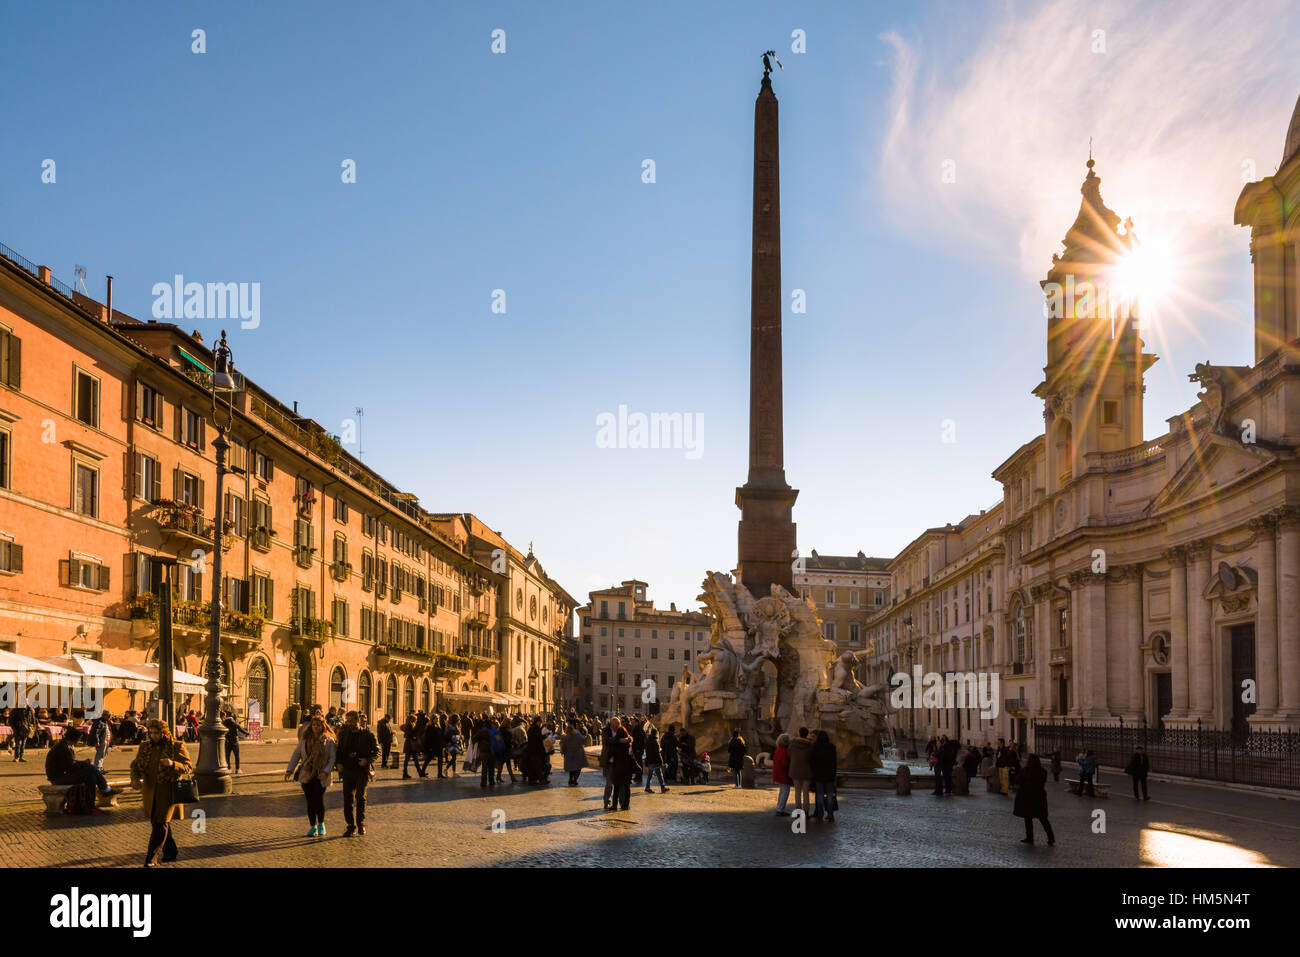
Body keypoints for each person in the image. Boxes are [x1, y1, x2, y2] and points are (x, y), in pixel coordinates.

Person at [129, 719, 194, 866]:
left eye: (157, 733)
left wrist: (173, 764)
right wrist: (134, 779)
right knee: (157, 822)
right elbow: (136, 766)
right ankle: (171, 851)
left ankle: (151, 858)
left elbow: (188, 767)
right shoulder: (145, 746)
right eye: (151, 733)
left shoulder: (177, 746)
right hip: (149, 791)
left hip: (168, 792)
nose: (153, 736)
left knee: (161, 823)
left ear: (164, 733)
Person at [286, 713, 337, 836]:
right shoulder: (304, 740)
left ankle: (321, 824)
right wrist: (290, 770)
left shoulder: (329, 741)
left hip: (321, 774)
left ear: (323, 726)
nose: (316, 727)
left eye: (318, 725)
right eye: (314, 725)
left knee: (318, 800)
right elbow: (296, 755)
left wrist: (326, 771)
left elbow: (332, 758)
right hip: (306, 773)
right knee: (309, 801)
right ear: (311, 726)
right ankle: (312, 826)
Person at [336, 710, 378, 836]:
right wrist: (338, 763)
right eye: (347, 721)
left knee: (360, 797)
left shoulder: (368, 734)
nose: (349, 724)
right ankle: (350, 825)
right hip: (347, 770)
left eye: (352, 721)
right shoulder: (343, 734)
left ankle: (361, 823)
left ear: (358, 720)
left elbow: (377, 751)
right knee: (347, 799)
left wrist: (368, 760)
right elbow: (339, 750)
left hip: (362, 771)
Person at [46, 728, 113, 798]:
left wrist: (83, 763)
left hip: (60, 776)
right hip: (58, 779)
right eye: (78, 739)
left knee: (91, 776)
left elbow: (69, 763)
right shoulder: (64, 748)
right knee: (90, 768)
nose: (78, 741)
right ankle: (105, 788)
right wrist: (84, 763)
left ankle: (90, 803)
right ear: (74, 739)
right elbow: (70, 767)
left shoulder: (64, 745)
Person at [1013, 753, 1055, 845]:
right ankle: (1051, 838)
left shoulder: (1025, 771)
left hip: (1027, 797)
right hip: (1039, 797)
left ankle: (1030, 837)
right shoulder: (1043, 771)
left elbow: (1016, 780)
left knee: (1028, 818)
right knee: (1043, 819)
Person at [604, 717, 634, 811]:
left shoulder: (621, 729)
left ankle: (622, 804)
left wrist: (629, 739)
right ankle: (607, 802)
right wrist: (620, 740)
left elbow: (630, 738)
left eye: (618, 725)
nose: (617, 727)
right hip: (610, 762)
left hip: (620, 763)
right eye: (615, 726)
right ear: (611, 725)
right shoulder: (606, 730)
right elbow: (607, 741)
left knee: (619, 785)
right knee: (609, 783)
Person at [810, 730, 838, 822]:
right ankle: (830, 815)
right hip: (829, 774)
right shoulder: (832, 747)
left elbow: (812, 761)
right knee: (830, 795)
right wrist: (834, 774)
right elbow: (834, 762)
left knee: (820, 795)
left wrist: (814, 772)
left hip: (818, 774)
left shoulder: (815, 747)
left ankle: (820, 814)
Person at [787, 727, 814, 818]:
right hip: (807, 771)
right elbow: (812, 758)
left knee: (797, 792)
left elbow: (789, 755)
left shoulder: (792, 744)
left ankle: (798, 812)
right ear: (807, 734)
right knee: (806, 792)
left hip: (795, 770)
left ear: (799, 733)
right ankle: (806, 812)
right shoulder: (810, 745)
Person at [642, 727, 669, 794]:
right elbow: (657, 752)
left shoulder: (647, 741)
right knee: (658, 774)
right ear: (656, 734)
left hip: (650, 760)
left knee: (652, 774)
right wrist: (661, 761)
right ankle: (661, 788)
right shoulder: (655, 741)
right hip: (655, 761)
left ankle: (661, 787)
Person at [562, 720, 588, 786]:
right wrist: (586, 736)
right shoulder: (577, 734)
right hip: (578, 754)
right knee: (578, 768)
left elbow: (563, 746)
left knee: (571, 768)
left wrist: (563, 752)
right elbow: (583, 739)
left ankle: (570, 779)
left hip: (569, 754)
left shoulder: (565, 737)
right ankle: (575, 780)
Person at [772, 733, 792, 816]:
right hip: (783, 773)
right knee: (785, 791)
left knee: (782, 791)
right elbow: (784, 764)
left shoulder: (778, 749)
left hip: (778, 772)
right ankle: (780, 810)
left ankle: (779, 808)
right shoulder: (784, 750)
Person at [475, 720, 498, 788]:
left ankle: (483, 782)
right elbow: (499, 740)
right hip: (492, 751)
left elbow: (474, 739)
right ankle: (492, 781)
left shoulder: (481, 731)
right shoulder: (495, 731)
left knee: (484, 767)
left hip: (484, 751)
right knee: (491, 767)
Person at [401, 714, 425, 779]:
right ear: (412, 719)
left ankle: (418, 772)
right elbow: (409, 734)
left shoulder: (409, 725)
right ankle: (407, 773)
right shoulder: (409, 725)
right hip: (410, 744)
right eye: (415, 719)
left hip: (410, 744)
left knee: (412, 759)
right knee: (409, 759)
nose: (416, 720)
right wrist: (414, 737)